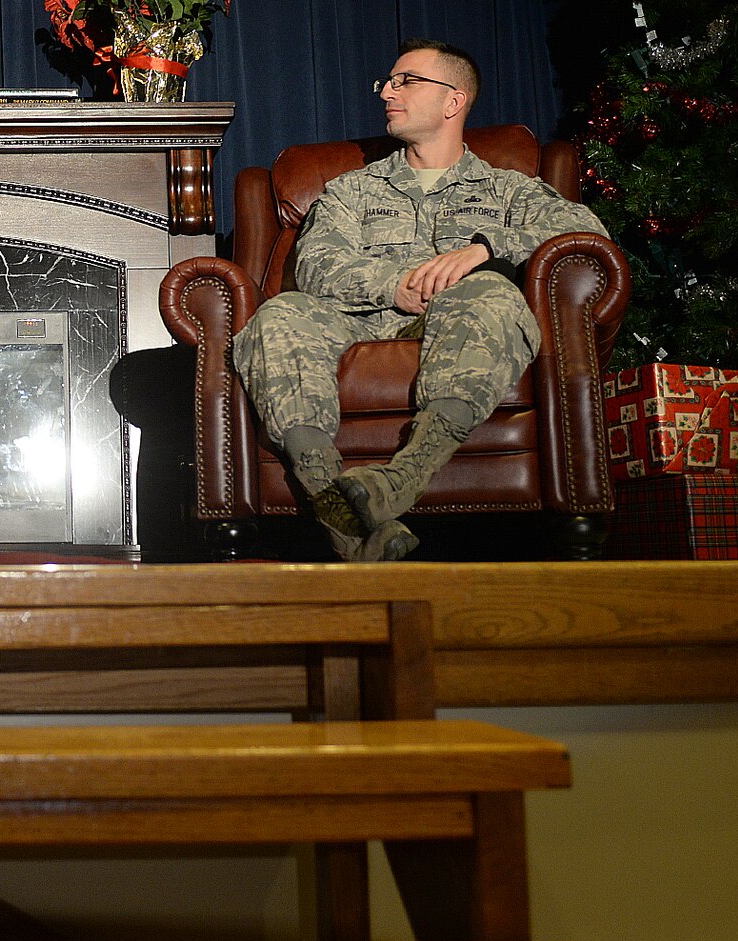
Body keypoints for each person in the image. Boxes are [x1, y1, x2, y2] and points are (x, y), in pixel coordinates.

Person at [230, 39, 609, 563]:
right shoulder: (351, 191)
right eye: (387, 82)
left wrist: (486, 248)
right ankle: (335, 500)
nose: (387, 91)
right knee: (279, 314)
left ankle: (402, 479)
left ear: (454, 100)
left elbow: (585, 232)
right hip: (361, 321)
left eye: (406, 81)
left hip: (460, 323)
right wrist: (395, 284)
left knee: (491, 292)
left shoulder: (509, 190)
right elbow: (316, 266)